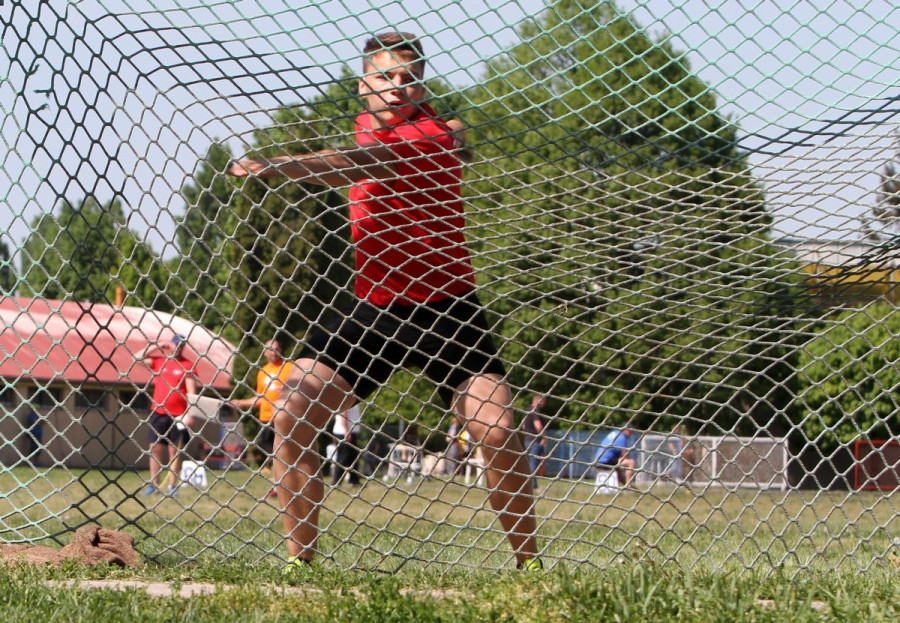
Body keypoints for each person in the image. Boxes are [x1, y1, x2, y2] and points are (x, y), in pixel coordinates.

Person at [229, 31, 542, 571]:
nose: (398, 86)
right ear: (362, 85)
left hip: (450, 311)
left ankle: (529, 564)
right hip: (375, 310)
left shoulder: (433, 133)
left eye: (410, 79)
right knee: (292, 410)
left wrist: (279, 165)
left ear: (422, 89)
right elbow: (363, 150)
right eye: (386, 76)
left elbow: (353, 164)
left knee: (496, 430)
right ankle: (300, 562)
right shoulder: (378, 124)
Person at [230, 336, 295, 497]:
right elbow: (260, 398)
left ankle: (287, 484)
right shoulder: (263, 372)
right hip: (265, 419)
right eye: (270, 349)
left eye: (276, 349)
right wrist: (241, 403)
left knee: (284, 452)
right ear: (265, 352)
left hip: (283, 416)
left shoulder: (289, 368)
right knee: (270, 453)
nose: (273, 352)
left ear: (281, 350)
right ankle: (278, 483)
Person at [138, 334, 198, 496]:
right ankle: (154, 485)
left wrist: (190, 414)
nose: (178, 348)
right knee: (154, 448)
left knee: (174, 451)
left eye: (182, 345)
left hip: (178, 415)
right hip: (159, 412)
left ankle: (172, 486)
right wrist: (158, 345)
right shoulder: (160, 361)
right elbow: (137, 358)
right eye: (176, 344)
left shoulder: (187, 365)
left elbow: (191, 392)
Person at [594, 421, 637, 487]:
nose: (631, 434)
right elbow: (625, 455)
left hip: (598, 461)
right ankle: (629, 486)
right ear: (626, 430)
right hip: (606, 461)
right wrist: (626, 464)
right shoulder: (622, 437)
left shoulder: (614, 433)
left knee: (618, 471)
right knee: (631, 462)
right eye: (630, 431)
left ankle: (628, 487)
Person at [331, 405, 362, 486]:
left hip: (351, 432)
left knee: (353, 458)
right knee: (343, 458)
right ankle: (336, 482)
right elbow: (343, 415)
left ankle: (354, 480)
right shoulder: (347, 400)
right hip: (343, 433)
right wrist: (346, 431)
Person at [521, 395, 547, 490]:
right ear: (539, 400)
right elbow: (538, 425)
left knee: (528, 463)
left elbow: (523, 426)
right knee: (533, 462)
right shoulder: (535, 410)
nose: (544, 403)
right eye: (544, 401)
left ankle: (528, 484)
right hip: (535, 440)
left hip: (527, 440)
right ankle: (533, 486)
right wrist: (544, 436)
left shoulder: (527, 410)